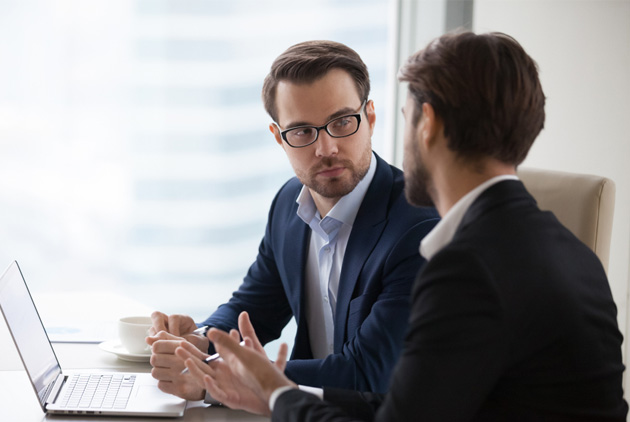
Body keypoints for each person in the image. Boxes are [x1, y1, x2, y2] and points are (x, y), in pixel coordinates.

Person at [177, 31, 629, 421]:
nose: (327, 147)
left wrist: (272, 390)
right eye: (304, 132)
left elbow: (382, 389)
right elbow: (411, 407)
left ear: (426, 124)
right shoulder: (571, 252)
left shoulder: (462, 265)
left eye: (407, 117)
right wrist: (252, 381)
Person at [146, 40, 440, 402]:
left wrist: (217, 374)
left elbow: (367, 371)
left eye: (342, 122)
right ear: (278, 138)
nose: (327, 148)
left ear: (371, 118)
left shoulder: (419, 226)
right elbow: (255, 307)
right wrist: (197, 342)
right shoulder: (289, 203)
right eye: (302, 131)